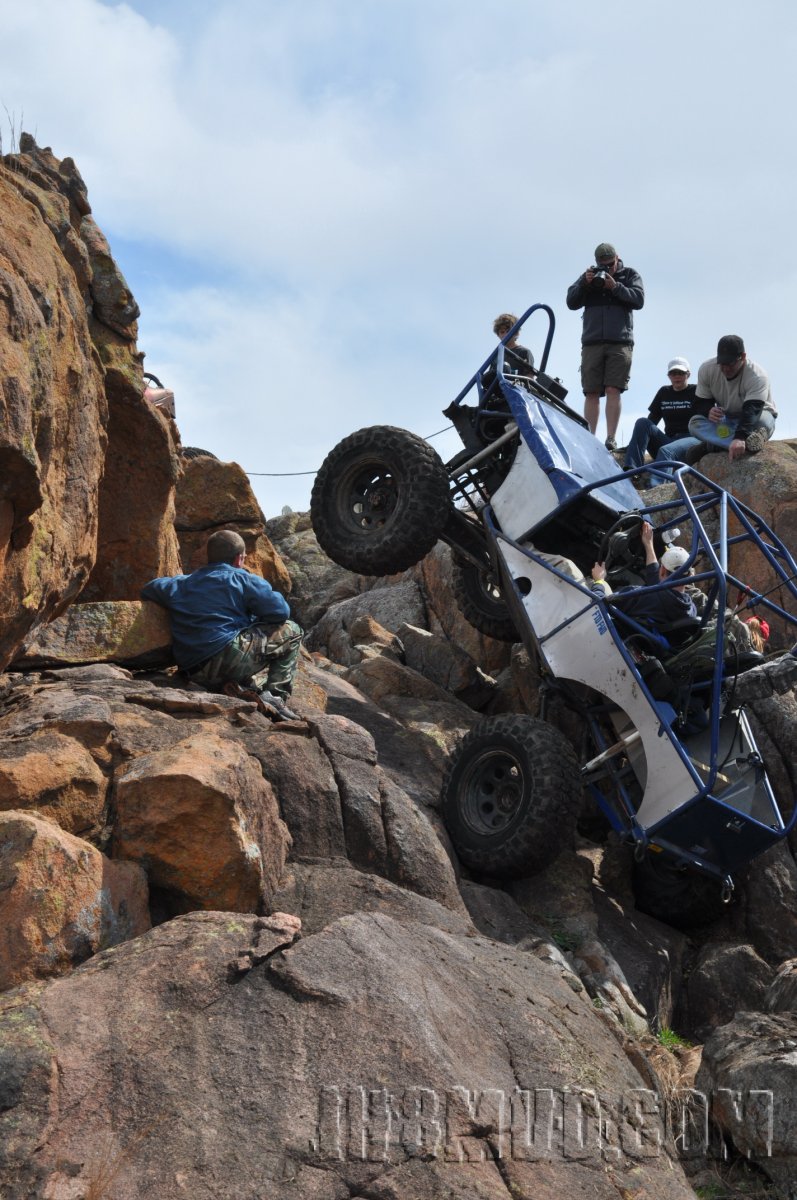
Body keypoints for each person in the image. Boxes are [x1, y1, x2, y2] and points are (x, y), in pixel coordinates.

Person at [141, 529, 303, 720]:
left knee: (235, 645)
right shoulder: (243, 579)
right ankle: (276, 696)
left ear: (209, 556)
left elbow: (148, 589)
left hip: (194, 670)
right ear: (238, 559)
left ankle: (236, 687)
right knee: (293, 630)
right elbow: (280, 612)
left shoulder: (181, 584)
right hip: (227, 658)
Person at [566, 242, 645, 451]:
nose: (607, 268)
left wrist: (615, 287)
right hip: (592, 342)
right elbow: (571, 302)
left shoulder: (629, 275)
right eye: (603, 265)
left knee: (613, 389)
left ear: (617, 258)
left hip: (620, 341)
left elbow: (639, 299)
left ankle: (610, 438)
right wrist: (584, 283)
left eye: (610, 264)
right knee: (591, 391)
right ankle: (590, 439)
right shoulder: (590, 276)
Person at [686, 336, 777, 462]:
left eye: (731, 363)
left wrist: (740, 437)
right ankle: (748, 443)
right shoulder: (707, 369)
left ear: (743, 357)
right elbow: (701, 401)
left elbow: (752, 411)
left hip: (757, 416)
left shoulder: (758, 376)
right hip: (727, 419)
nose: (726, 368)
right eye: (722, 364)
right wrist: (708, 410)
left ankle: (713, 445)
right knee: (694, 423)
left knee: (764, 422)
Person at [591, 522, 696, 628]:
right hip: (639, 638)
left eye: (660, 566)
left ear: (663, 571)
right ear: (689, 577)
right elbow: (654, 578)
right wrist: (648, 544)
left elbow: (598, 605)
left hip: (610, 630)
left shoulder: (638, 595)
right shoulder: (690, 610)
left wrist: (599, 580)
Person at [623, 358, 700, 479]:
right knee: (642, 422)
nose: (677, 377)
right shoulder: (664, 392)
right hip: (669, 440)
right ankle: (632, 471)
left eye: (680, 373)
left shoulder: (697, 391)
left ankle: (657, 489)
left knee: (666, 451)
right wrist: (634, 445)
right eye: (673, 373)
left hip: (691, 441)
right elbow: (651, 421)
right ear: (668, 375)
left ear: (688, 374)